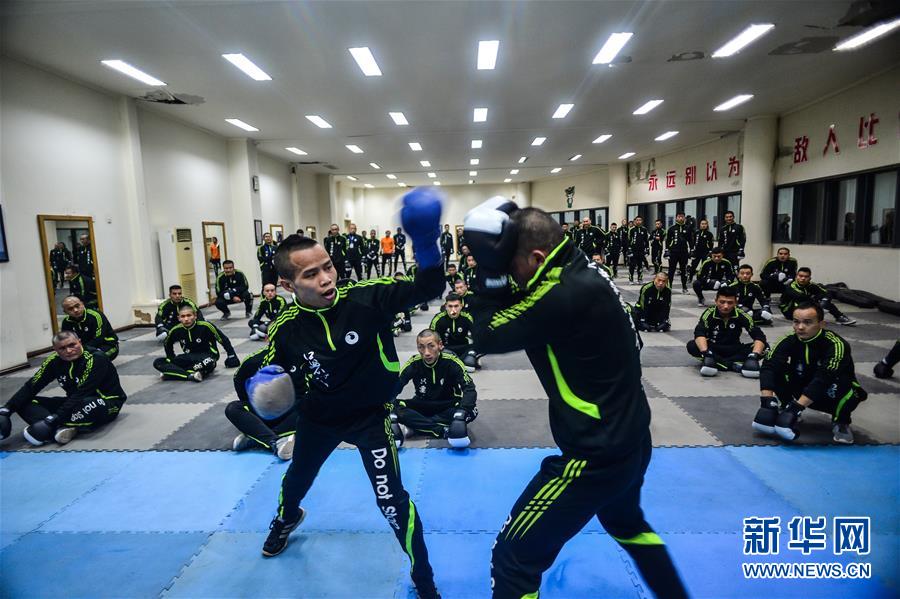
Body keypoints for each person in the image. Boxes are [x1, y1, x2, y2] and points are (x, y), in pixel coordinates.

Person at [462, 199, 687, 599]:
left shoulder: (561, 294)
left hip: (593, 455)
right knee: (627, 524)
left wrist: (488, 273)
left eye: (513, 265)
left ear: (536, 256)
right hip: (631, 437)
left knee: (513, 558)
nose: (511, 274)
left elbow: (485, 334)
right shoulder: (583, 267)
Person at [243, 189, 444, 599]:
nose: (326, 279)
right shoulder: (285, 329)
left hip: (371, 417)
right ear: (286, 284)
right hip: (319, 418)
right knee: (297, 480)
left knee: (392, 502)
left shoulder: (369, 297)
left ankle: (424, 579)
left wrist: (426, 242)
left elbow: (430, 285)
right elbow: (269, 374)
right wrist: (263, 394)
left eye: (328, 267)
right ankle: (286, 519)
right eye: (310, 275)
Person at [753, 303, 866, 444]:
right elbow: (769, 366)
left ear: (822, 324)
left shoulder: (836, 344)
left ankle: (841, 422)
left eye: (807, 322)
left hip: (831, 393)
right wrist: (767, 401)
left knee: (849, 388)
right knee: (776, 368)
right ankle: (786, 405)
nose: (800, 327)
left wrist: (796, 408)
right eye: (796, 322)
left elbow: (824, 377)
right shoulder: (789, 339)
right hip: (803, 387)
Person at [0, 331, 126, 446]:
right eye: (62, 348)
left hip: (106, 402)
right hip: (73, 403)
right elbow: (32, 385)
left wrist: (53, 419)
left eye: (72, 345)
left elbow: (83, 392)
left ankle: (54, 426)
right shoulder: (54, 361)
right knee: (24, 402)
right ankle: (61, 429)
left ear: (80, 342)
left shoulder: (96, 358)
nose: (69, 351)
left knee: (90, 403)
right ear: (55, 349)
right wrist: (7, 409)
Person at [391, 329, 478, 447]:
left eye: (431, 346)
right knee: (392, 407)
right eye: (421, 347)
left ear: (440, 345)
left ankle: (418, 426)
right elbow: (395, 387)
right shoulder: (414, 363)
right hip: (422, 405)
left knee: (471, 411)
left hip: (448, 405)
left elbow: (469, 388)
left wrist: (463, 410)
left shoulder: (452, 362)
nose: (426, 352)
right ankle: (442, 430)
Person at [228, 356, 298, 460]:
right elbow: (239, 381)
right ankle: (273, 441)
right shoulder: (254, 360)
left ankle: (256, 437)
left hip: (290, 411)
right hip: (262, 412)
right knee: (232, 408)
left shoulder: (300, 357)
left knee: (311, 408)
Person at [687, 286, 766, 378]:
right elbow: (699, 333)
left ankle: (718, 363)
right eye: (722, 302)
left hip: (735, 349)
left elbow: (759, 336)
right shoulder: (709, 313)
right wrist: (706, 353)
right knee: (692, 345)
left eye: (730, 303)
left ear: (736, 303)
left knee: (765, 348)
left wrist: (754, 356)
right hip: (714, 349)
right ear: (716, 301)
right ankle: (732, 365)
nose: (725, 306)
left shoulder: (742, 314)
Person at [153, 305, 239, 382]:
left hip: (208, 356)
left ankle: (173, 373)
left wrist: (231, 355)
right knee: (158, 362)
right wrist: (171, 357)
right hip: (189, 357)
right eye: (183, 316)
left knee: (209, 363)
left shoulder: (206, 326)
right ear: (179, 318)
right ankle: (189, 376)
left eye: (189, 315)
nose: (186, 319)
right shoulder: (175, 330)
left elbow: (223, 339)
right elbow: (167, 343)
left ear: (195, 316)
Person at [779, 267, 856, 325]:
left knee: (826, 302)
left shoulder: (812, 285)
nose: (803, 278)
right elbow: (800, 297)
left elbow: (826, 292)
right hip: (788, 310)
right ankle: (813, 317)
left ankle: (839, 317)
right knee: (804, 301)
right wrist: (818, 302)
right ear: (796, 277)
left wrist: (824, 301)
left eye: (806, 277)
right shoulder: (790, 286)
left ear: (810, 278)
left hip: (805, 305)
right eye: (801, 276)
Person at [60, 296, 119, 360]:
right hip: (82, 348)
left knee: (95, 358)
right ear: (65, 312)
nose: (75, 310)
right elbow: (66, 341)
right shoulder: (66, 322)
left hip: (106, 344)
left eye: (77, 306)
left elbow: (99, 338)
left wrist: (81, 351)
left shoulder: (96, 316)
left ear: (82, 304)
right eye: (70, 309)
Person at [430, 292, 478, 370]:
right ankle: (457, 362)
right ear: (446, 306)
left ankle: (468, 359)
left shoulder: (468, 317)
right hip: (445, 349)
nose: (453, 310)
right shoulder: (438, 319)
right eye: (450, 306)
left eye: (456, 306)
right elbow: (430, 338)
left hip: (464, 348)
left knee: (470, 363)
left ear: (461, 306)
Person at [665, 212, 692, 293]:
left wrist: (692, 250)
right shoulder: (671, 228)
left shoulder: (688, 228)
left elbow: (690, 240)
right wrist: (667, 250)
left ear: (684, 218)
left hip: (684, 252)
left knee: (684, 271)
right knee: (671, 270)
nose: (681, 218)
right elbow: (668, 241)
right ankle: (669, 287)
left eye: (682, 217)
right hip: (673, 252)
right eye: (679, 217)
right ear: (676, 218)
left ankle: (684, 287)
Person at [688, 219, 713, 283]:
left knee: (704, 266)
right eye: (702, 224)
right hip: (697, 252)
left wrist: (710, 252)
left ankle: (702, 279)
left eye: (705, 224)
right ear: (700, 225)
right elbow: (693, 242)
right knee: (693, 266)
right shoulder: (696, 233)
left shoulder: (709, 234)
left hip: (705, 253)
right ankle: (690, 278)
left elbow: (711, 244)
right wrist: (692, 250)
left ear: (707, 225)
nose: (704, 225)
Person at [627, 216, 650, 284]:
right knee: (632, 265)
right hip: (633, 251)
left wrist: (647, 249)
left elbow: (646, 240)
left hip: (641, 250)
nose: (638, 221)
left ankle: (640, 279)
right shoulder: (631, 230)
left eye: (640, 220)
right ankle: (631, 280)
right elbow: (628, 240)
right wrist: (629, 249)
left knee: (640, 265)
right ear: (635, 221)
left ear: (642, 221)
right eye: (637, 220)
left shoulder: (644, 229)